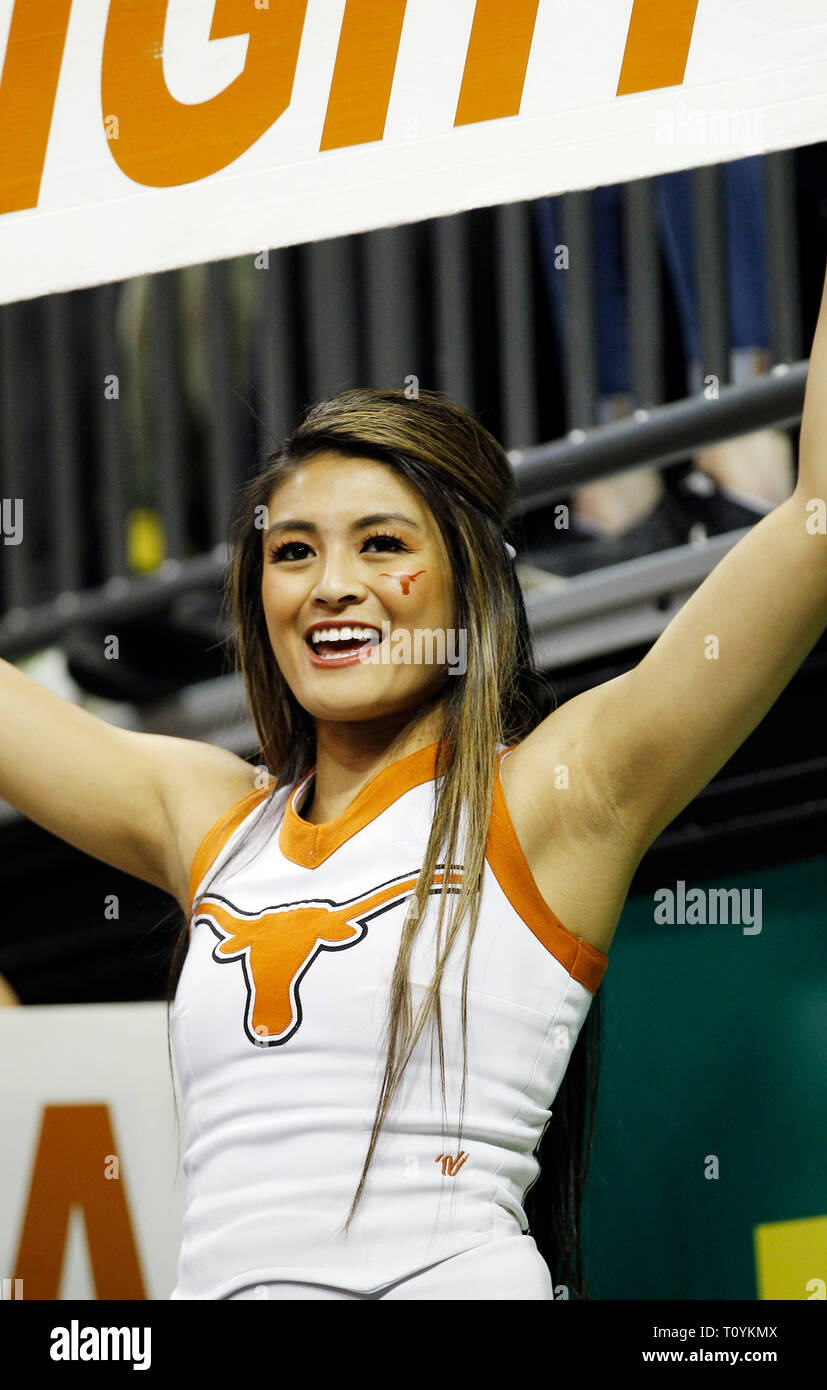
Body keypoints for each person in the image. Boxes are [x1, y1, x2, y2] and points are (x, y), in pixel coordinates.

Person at [2, 259, 826, 1299]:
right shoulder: (205, 816)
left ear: (469, 586)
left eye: (381, 543)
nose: (331, 584)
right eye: (291, 550)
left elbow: (816, 520)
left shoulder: (550, 797)